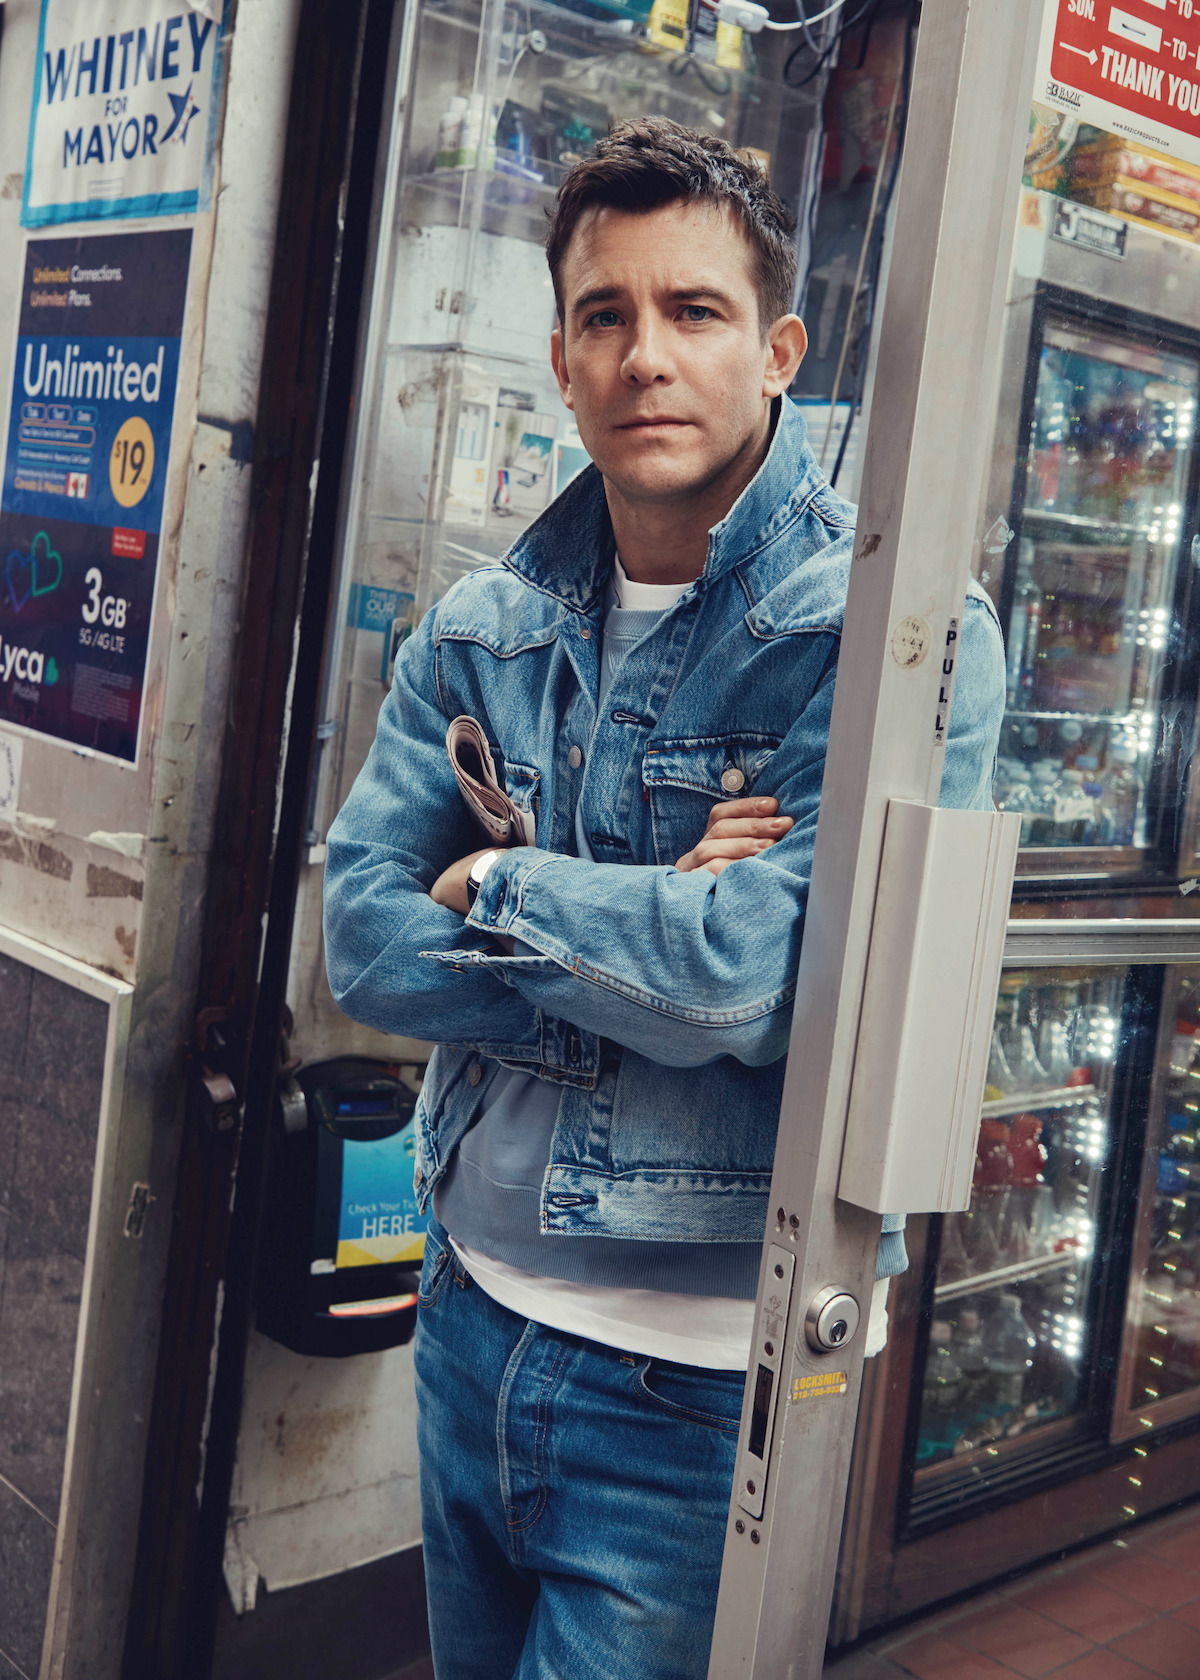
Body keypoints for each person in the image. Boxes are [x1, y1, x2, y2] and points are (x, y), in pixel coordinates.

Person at [324, 117, 1004, 1680]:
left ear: (776, 350)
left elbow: (750, 981)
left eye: (693, 313)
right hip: (470, 1319)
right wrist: (640, 922)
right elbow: (363, 933)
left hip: (703, 1387)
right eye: (605, 315)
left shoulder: (898, 640)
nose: (647, 356)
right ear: (560, 359)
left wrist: (495, 876)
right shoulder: (477, 631)